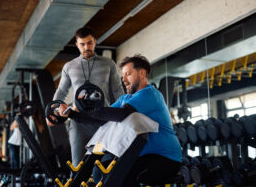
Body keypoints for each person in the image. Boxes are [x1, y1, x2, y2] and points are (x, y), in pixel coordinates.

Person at [57, 54, 182, 186]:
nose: (124, 79)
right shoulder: (124, 99)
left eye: (128, 74)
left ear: (142, 73)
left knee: (122, 175)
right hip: (140, 157)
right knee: (99, 171)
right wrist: (72, 114)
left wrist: (86, 107)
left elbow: (123, 114)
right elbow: (104, 120)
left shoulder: (151, 94)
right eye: (123, 75)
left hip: (165, 159)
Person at [46, 27, 124, 167]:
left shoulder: (108, 64)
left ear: (95, 41)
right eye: (82, 44)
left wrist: (124, 112)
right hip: (78, 121)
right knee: (78, 166)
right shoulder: (69, 66)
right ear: (77, 44)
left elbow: (118, 90)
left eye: (89, 43)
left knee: (106, 167)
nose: (86, 47)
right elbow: (61, 91)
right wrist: (53, 110)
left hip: (104, 121)